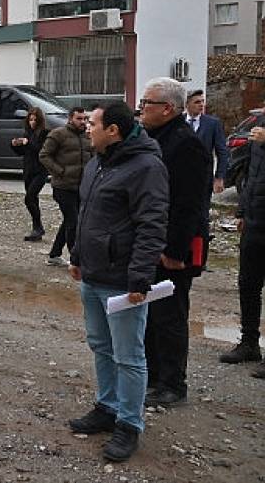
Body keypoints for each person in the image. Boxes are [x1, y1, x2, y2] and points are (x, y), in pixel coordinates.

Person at [68, 100, 168, 463]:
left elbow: (152, 225)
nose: (87, 127)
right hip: (93, 275)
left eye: (93, 123)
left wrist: (140, 278)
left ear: (113, 131)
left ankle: (129, 424)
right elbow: (86, 214)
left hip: (123, 282)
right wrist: (77, 256)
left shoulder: (146, 167)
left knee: (129, 356)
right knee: (100, 345)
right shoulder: (97, 162)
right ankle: (107, 407)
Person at [139, 78, 212, 408]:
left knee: (170, 314)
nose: (141, 108)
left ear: (167, 108)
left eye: (147, 103)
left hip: (174, 247)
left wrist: (174, 250)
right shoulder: (152, 138)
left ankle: (173, 383)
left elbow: (189, 204)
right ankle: (153, 376)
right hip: (151, 241)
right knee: (150, 313)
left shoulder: (186, 144)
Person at [219, 120, 265, 377]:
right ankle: (249, 342)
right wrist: (242, 212)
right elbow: (252, 176)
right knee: (248, 284)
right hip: (255, 222)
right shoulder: (258, 136)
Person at [39, 107, 92, 266]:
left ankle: (54, 254)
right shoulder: (58, 134)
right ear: (70, 119)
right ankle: (76, 259)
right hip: (63, 187)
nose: (82, 122)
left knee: (70, 220)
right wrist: (59, 171)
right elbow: (44, 155)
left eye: (84, 119)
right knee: (73, 222)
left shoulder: (87, 136)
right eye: (79, 119)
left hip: (81, 187)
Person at [10, 107, 50, 241]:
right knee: (34, 200)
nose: (32, 122)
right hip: (28, 170)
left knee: (29, 198)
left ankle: (38, 227)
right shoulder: (27, 133)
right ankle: (37, 228)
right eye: (30, 119)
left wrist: (28, 143)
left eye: (35, 120)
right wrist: (16, 145)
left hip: (40, 171)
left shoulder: (44, 134)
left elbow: (40, 150)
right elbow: (23, 152)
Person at [184, 89, 229, 197]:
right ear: (187, 104)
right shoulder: (178, 122)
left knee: (202, 210)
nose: (201, 105)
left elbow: (222, 152)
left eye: (202, 101)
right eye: (197, 102)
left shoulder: (212, 123)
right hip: (181, 177)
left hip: (204, 178)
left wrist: (219, 177)